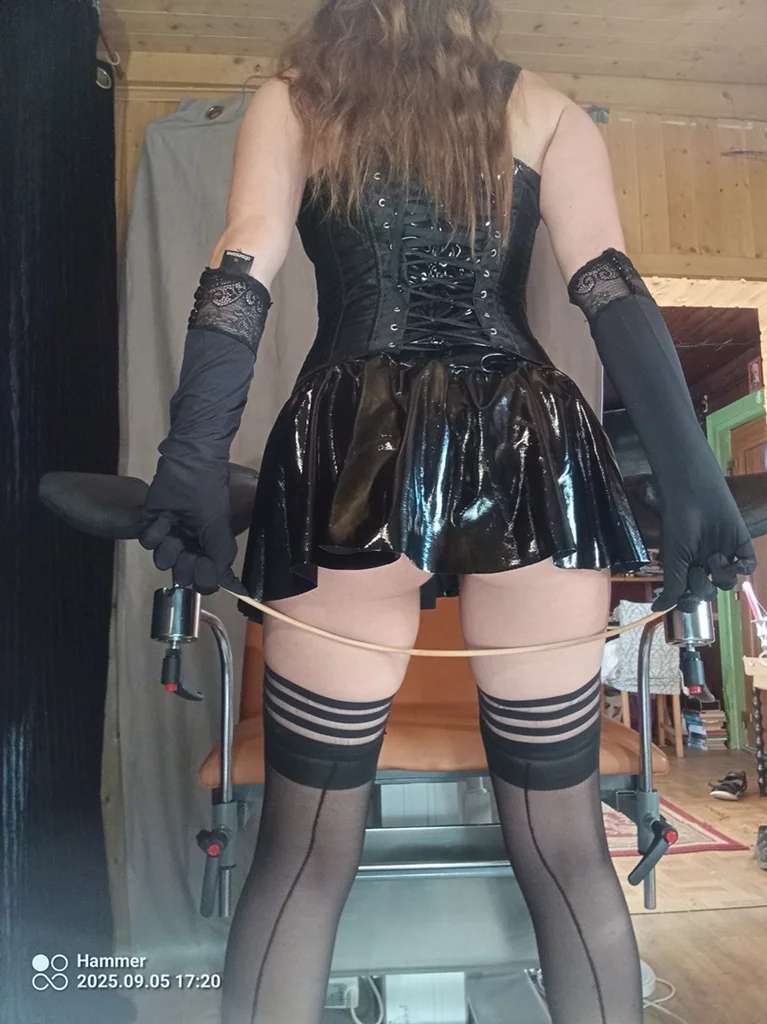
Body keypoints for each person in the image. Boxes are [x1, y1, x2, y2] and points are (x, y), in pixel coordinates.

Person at [138, 2, 756, 1021]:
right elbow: (605, 282)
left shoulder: (297, 99)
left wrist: (191, 459)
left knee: (301, 851)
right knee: (566, 848)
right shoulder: (546, 110)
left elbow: (243, 266)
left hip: (351, 445)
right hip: (529, 446)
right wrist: (692, 476)